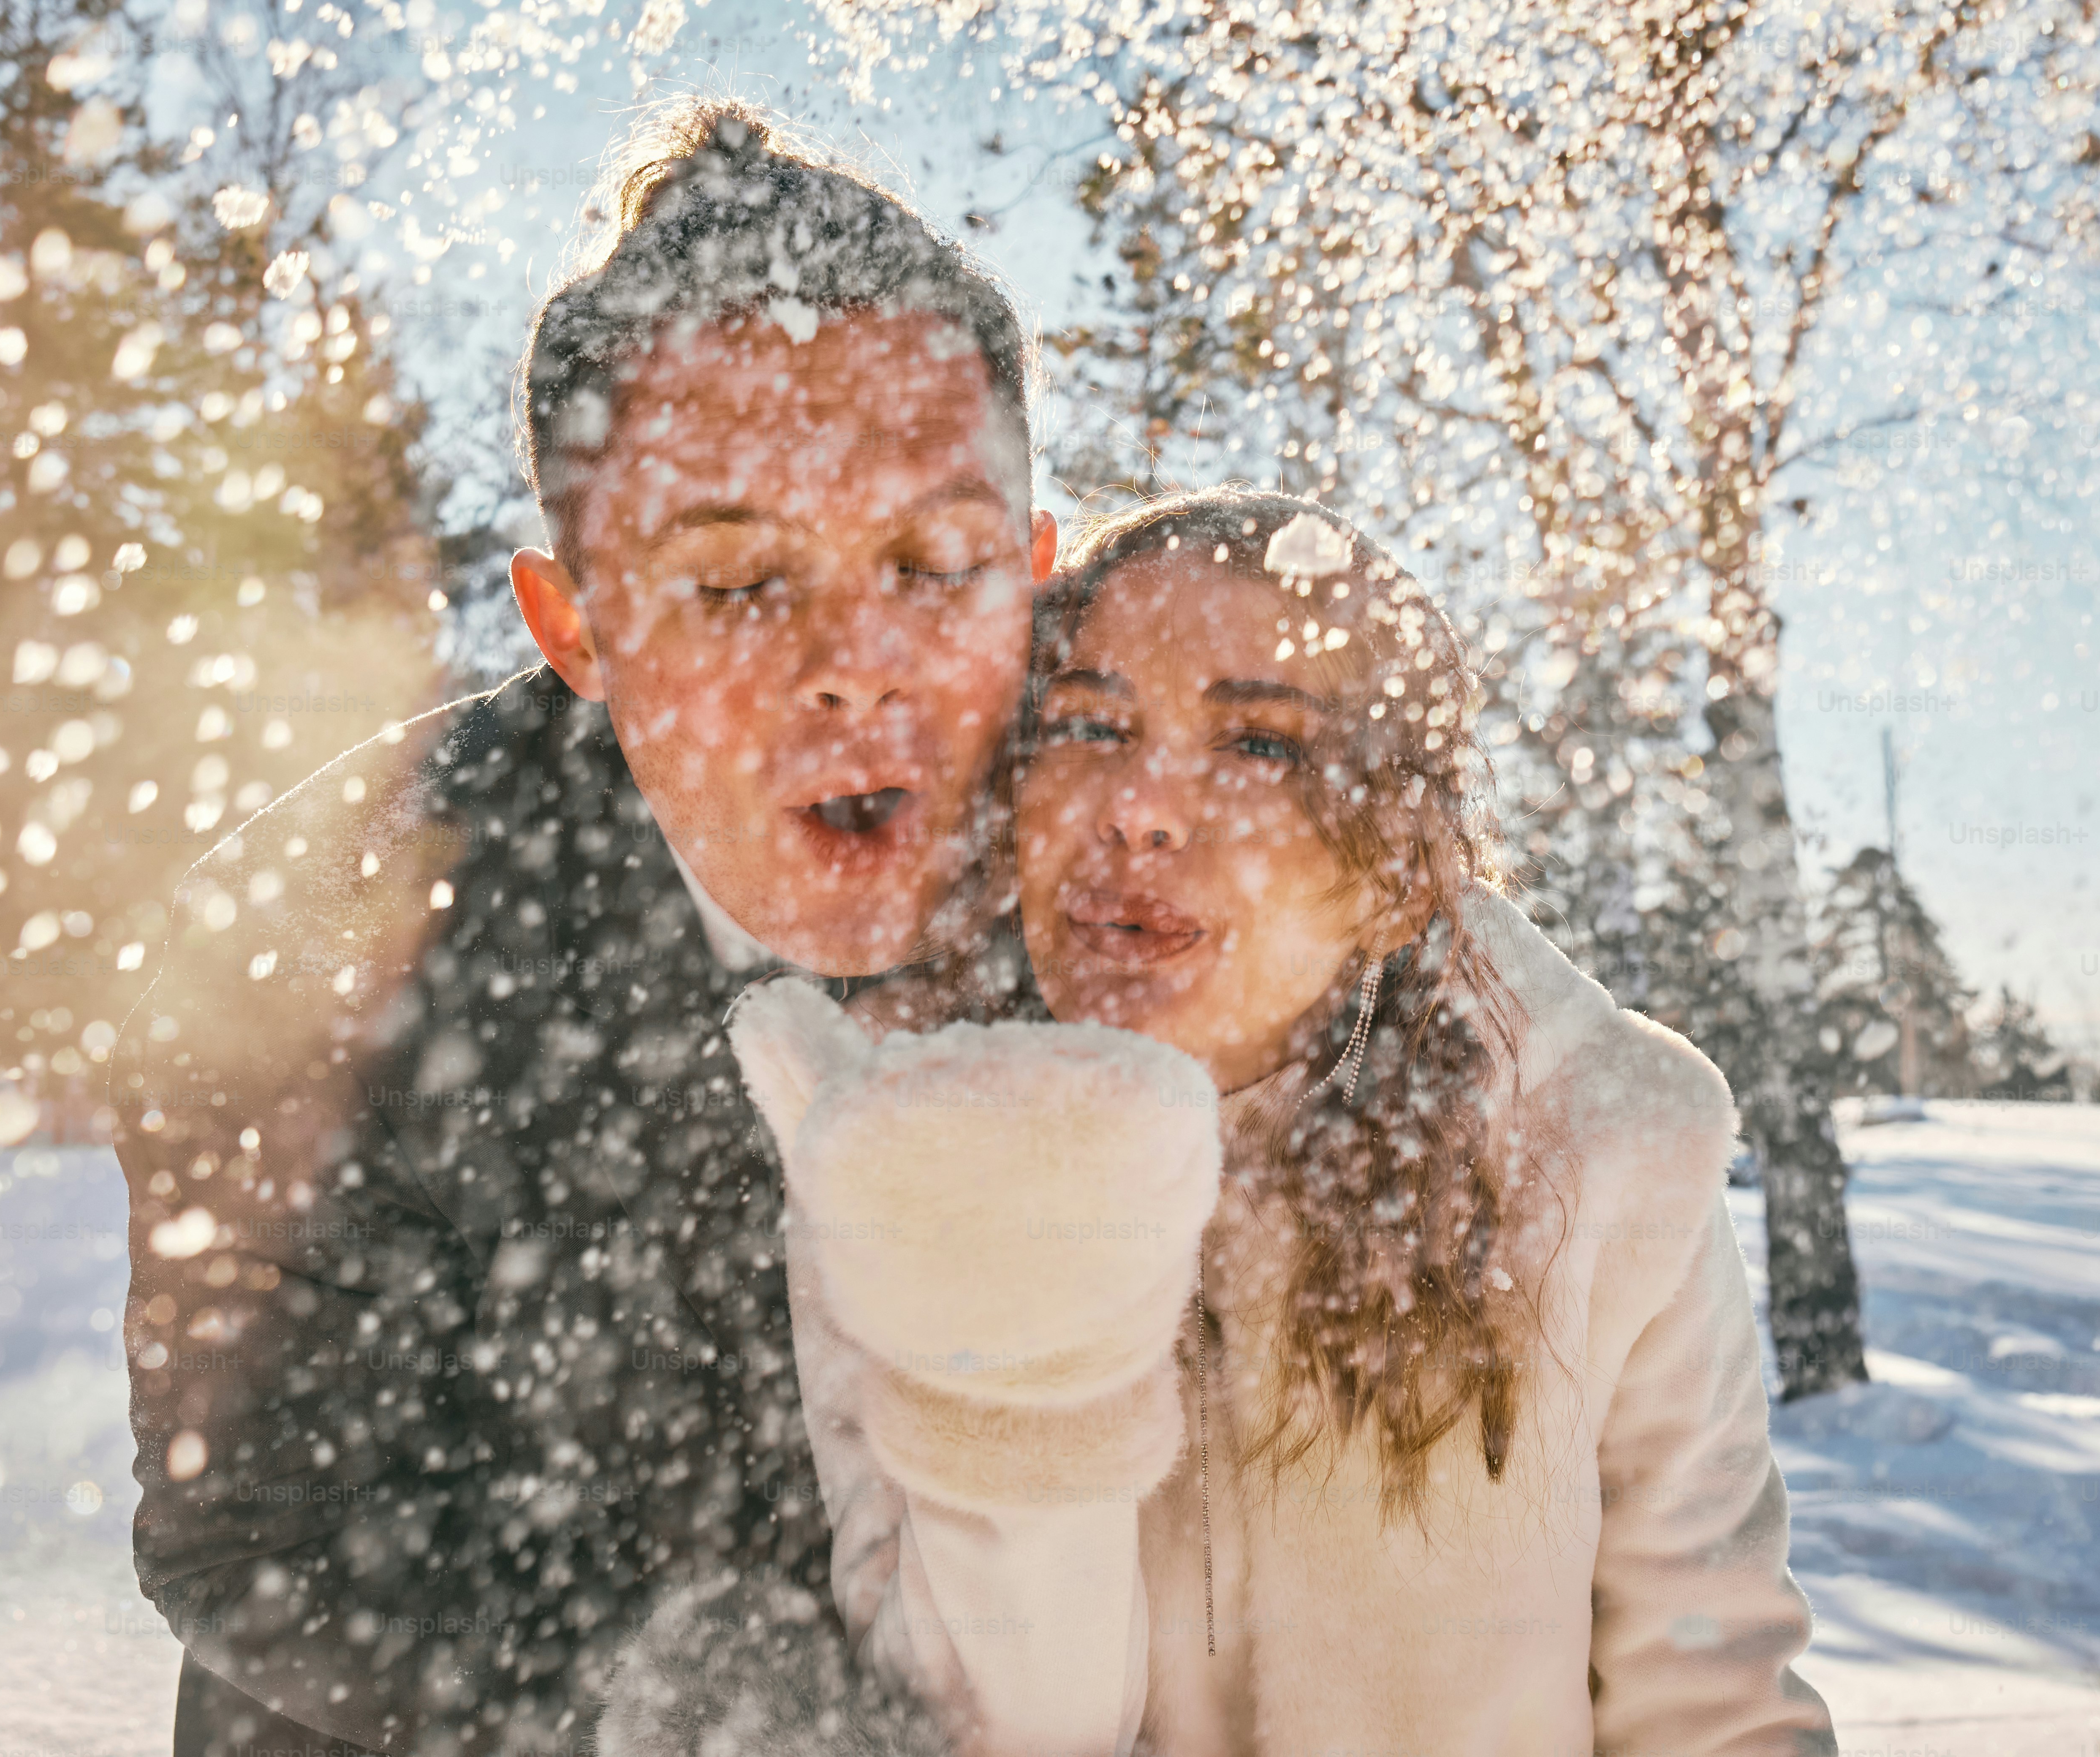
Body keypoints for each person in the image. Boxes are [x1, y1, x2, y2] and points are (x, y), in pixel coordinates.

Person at [113, 100, 1053, 1757]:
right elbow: (256, 1532)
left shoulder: (1138, 843)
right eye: (737, 580)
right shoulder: (315, 943)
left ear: (1036, 572)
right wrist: (654, 1702)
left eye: (939, 557)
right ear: (578, 621)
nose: (859, 657)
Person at [702, 490, 1838, 1755]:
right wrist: (1024, 1371)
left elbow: (1718, 1707)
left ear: (1400, 868)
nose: (1139, 806)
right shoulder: (903, 1146)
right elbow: (988, 1729)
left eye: (1258, 746)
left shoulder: (1602, 1152)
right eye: (1087, 723)